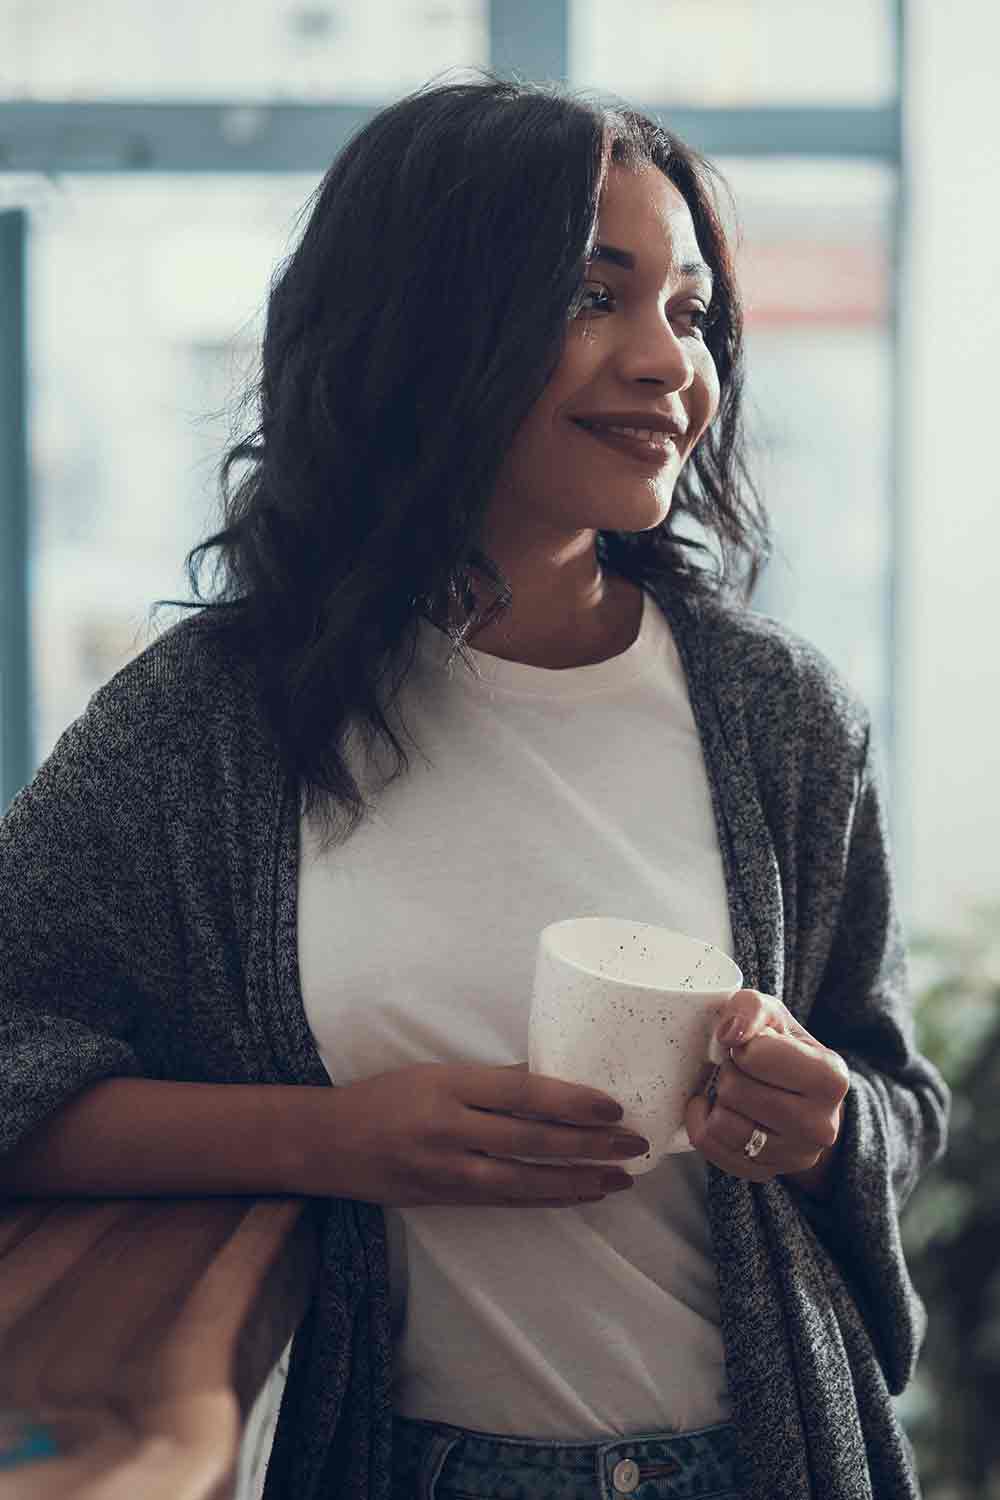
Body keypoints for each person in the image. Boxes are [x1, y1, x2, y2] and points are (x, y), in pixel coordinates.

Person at [0, 75, 949, 1500]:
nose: (667, 364)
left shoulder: (780, 715)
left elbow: (892, 1090)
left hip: (763, 1459)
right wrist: (330, 1141)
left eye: (690, 313)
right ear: (423, 321)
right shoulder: (210, 722)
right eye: (592, 295)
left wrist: (825, 1124)